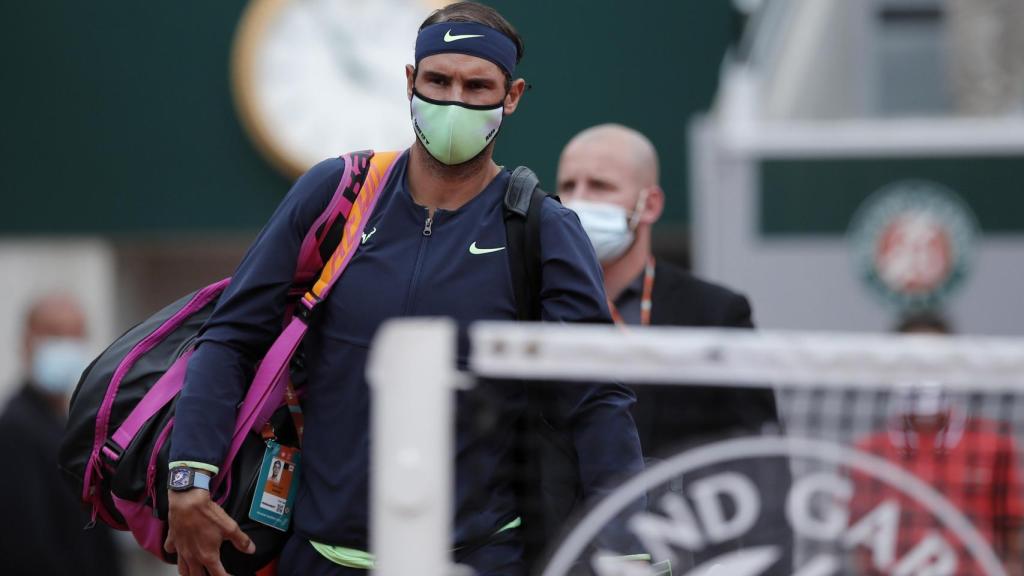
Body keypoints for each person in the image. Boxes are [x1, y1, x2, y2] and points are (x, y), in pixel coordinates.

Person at [165, 4, 644, 576]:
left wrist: (630, 549)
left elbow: (595, 398)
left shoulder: (542, 229)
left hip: (476, 559)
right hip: (320, 557)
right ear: (409, 82)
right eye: (438, 81)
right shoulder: (335, 194)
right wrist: (188, 476)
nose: (454, 102)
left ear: (511, 95)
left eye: (477, 85)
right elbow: (231, 337)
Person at [557, 123, 789, 572]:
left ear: (651, 203)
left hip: (682, 555)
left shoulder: (716, 313)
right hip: (565, 555)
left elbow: (762, 467)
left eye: (600, 185)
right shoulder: (532, 308)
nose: (579, 200)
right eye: (568, 185)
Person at [850, 312, 1023, 575]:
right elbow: (862, 551)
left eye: (934, 363)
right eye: (911, 364)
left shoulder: (994, 442)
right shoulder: (867, 453)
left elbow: (1015, 538)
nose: (923, 376)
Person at [0, 294, 122, 576]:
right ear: (27, 341)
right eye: (54, 333)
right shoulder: (16, 429)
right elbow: (25, 543)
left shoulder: (72, 426)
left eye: (75, 335)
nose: (65, 346)